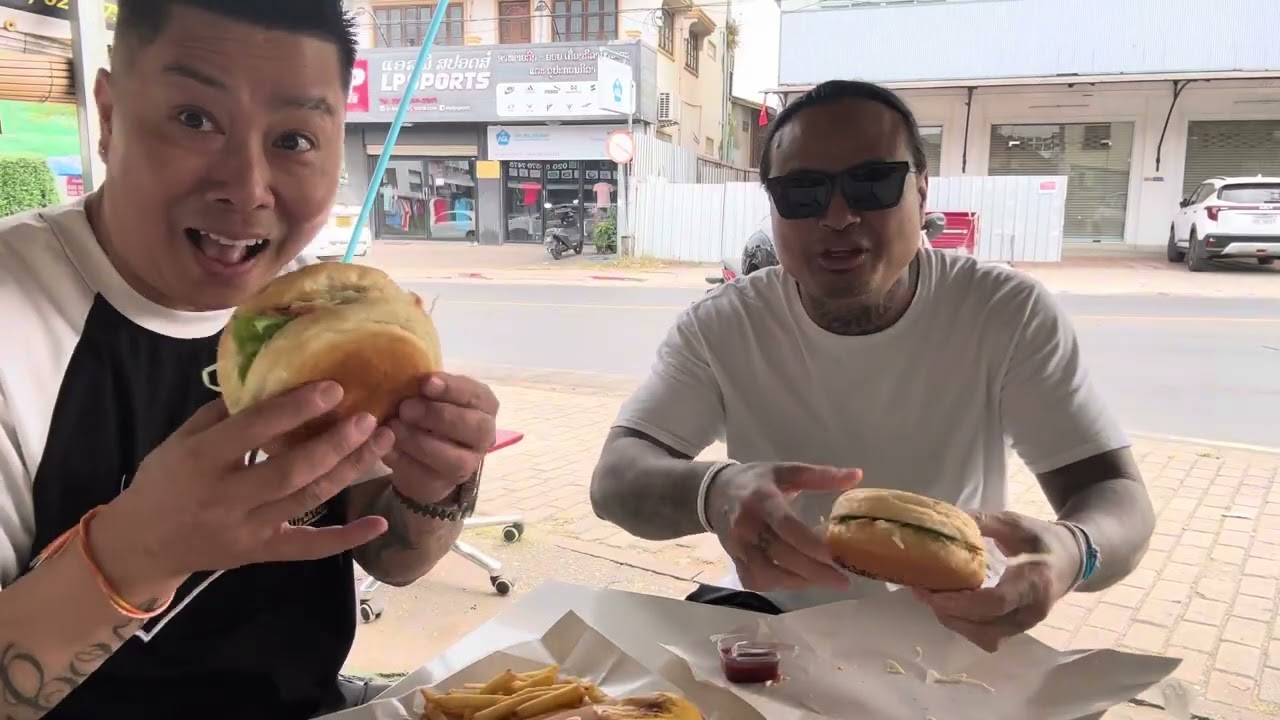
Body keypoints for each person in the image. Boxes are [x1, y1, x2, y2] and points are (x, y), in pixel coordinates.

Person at [0, 2, 498, 718]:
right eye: (194, 119)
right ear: (108, 116)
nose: (248, 188)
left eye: (294, 138)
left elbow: (396, 558)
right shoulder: (17, 316)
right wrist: (136, 552)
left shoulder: (322, 320)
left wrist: (438, 483)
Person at [589, 79, 1155, 653]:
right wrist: (713, 492)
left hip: (951, 638)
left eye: (873, 182)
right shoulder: (724, 324)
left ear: (922, 193)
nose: (838, 216)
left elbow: (1117, 495)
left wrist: (1075, 552)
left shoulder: (1003, 312)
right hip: (773, 631)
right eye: (802, 192)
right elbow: (614, 481)